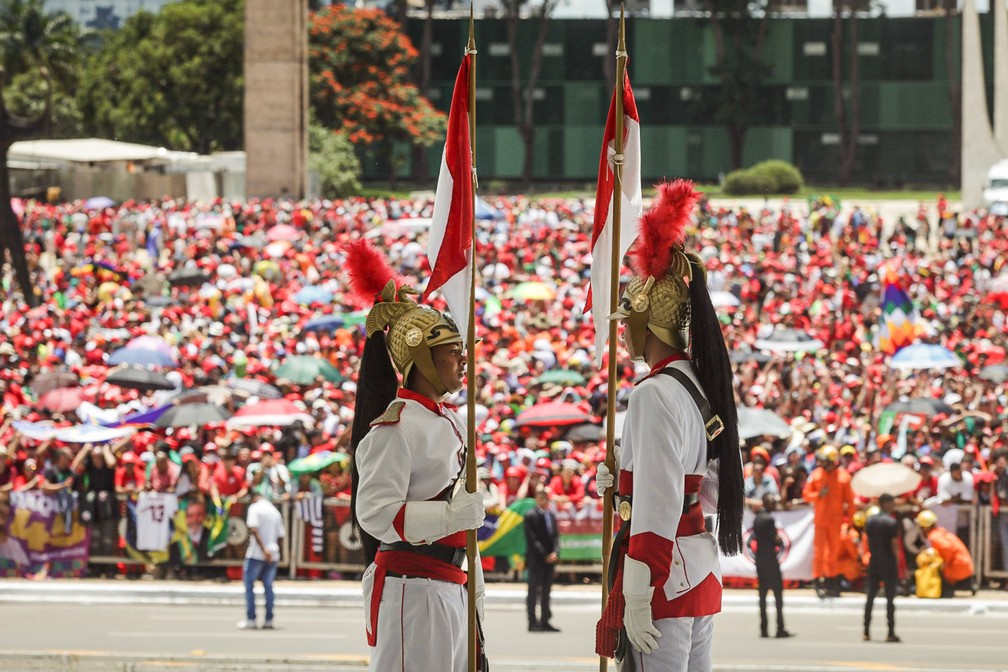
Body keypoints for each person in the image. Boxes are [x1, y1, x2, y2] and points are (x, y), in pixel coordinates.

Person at [595, 180, 745, 671]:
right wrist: (622, 484)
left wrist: (638, 585)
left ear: (646, 320)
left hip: (661, 570)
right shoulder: (698, 384)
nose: (622, 330)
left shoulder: (655, 392)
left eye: (626, 319)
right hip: (697, 566)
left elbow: (659, 499)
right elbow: (703, 485)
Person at [347, 240, 487, 672]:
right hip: (414, 588)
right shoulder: (397, 427)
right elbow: (373, 512)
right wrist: (448, 520)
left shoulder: (449, 419)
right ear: (421, 357)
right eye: (451, 352)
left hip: (449, 583)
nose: (463, 361)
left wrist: (475, 592)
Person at [802, 444, 855, 597]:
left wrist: (850, 522)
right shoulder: (816, 475)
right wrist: (818, 495)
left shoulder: (844, 477)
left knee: (833, 553)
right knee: (818, 553)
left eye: (823, 460)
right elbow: (806, 494)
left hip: (836, 522)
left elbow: (850, 502)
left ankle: (832, 582)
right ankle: (818, 581)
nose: (820, 463)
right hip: (820, 521)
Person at [237, 490, 284, 630]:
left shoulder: (254, 508)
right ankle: (269, 620)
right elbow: (281, 536)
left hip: (257, 554)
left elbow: (254, 529)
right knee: (268, 587)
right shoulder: (275, 511)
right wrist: (272, 551)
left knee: (249, 586)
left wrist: (264, 550)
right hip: (273, 553)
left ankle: (251, 619)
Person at [752, 493, 791, 639]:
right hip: (771, 562)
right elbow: (774, 541)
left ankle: (764, 628)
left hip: (760, 561)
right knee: (777, 596)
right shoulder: (769, 520)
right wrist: (778, 540)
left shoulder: (757, 518)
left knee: (762, 596)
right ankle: (780, 627)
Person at [863, 494, 901, 642]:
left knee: (870, 597)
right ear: (886, 504)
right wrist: (897, 563)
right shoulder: (891, 522)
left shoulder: (870, 521)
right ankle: (890, 632)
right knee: (890, 599)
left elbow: (867, 541)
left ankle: (866, 631)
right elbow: (894, 546)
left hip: (874, 561)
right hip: (888, 562)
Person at [915, 509, 975, 597]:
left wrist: (944, 564)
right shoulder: (940, 532)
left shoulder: (934, 537)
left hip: (958, 569)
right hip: (965, 567)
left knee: (933, 566)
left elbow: (946, 548)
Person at [524, 486, 560, 632]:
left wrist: (555, 553)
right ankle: (532, 622)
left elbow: (556, 537)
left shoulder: (550, 515)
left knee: (546, 591)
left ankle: (545, 620)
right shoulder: (530, 515)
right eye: (541, 498)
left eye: (546, 498)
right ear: (537, 500)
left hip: (549, 559)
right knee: (533, 590)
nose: (544, 501)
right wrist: (545, 554)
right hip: (536, 559)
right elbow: (533, 539)